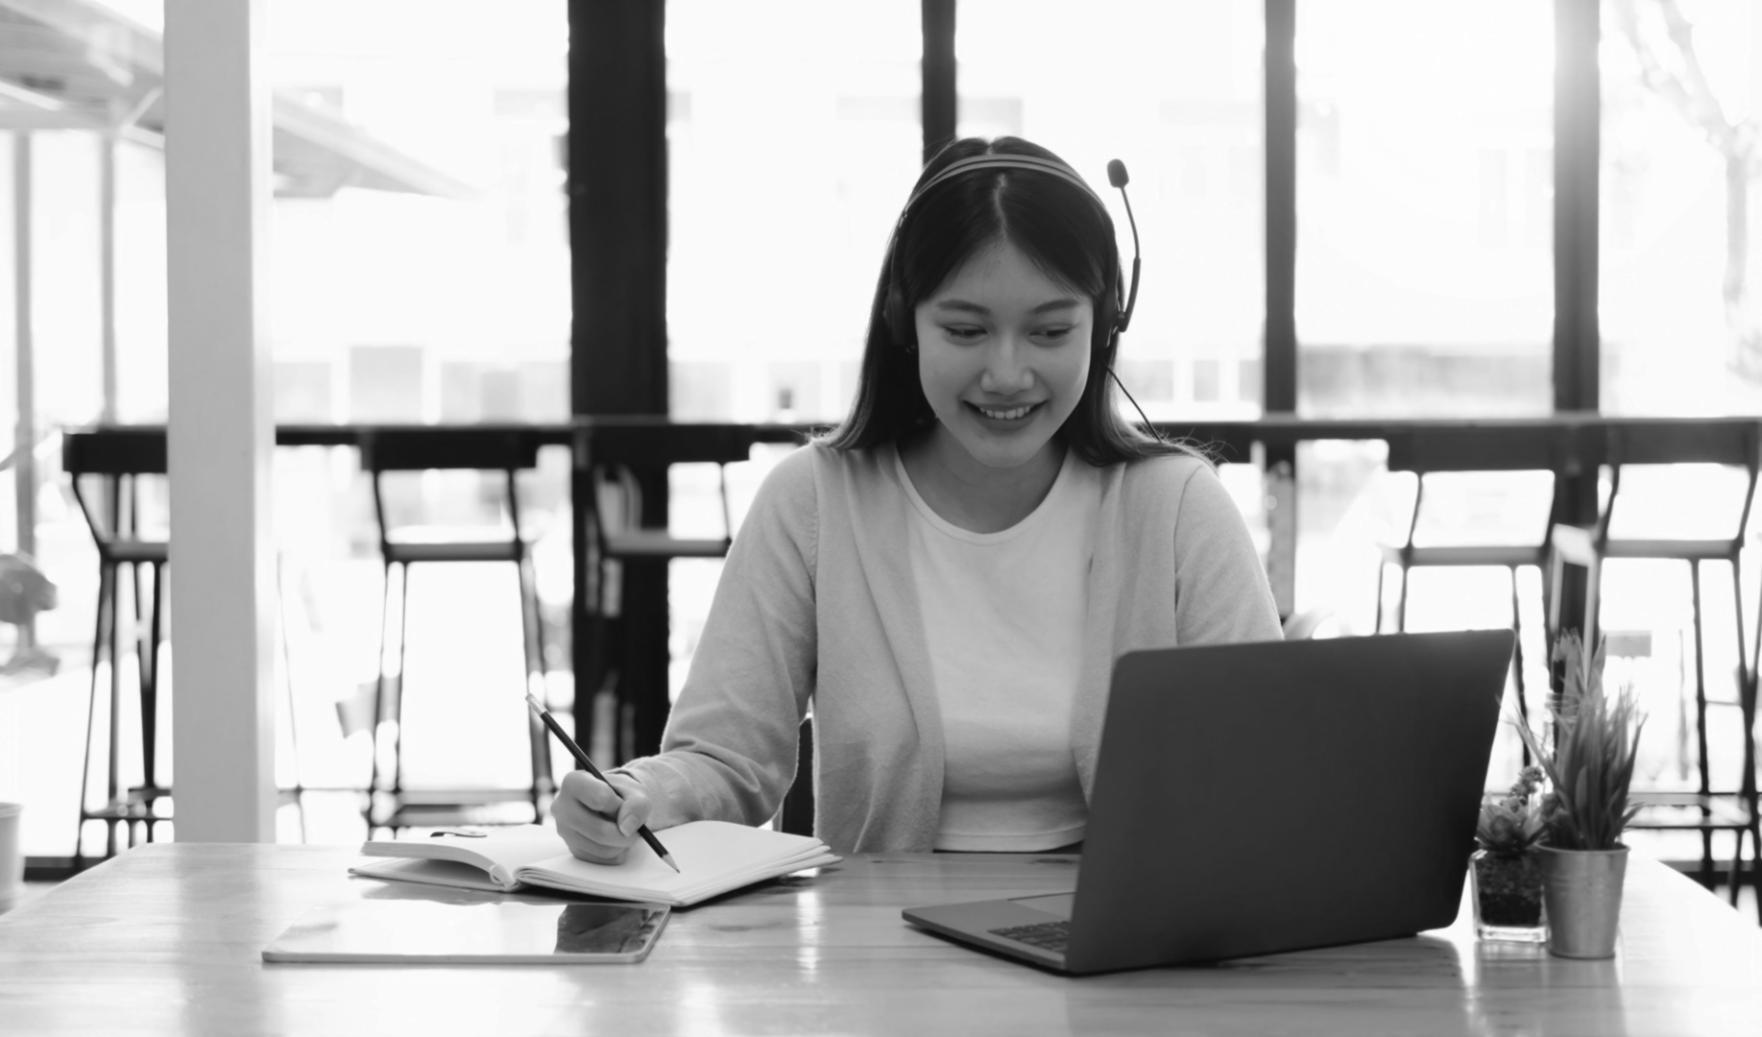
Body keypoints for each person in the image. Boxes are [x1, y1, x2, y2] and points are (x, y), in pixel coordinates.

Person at [552, 136, 1281, 860]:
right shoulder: (814, 502)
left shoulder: (1178, 509)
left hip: (1127, 930)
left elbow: (1266, 765)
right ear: (905, 321)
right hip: (881, 931)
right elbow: (723, 759)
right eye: (965, 330)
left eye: (1051, 331)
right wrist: (634, 795)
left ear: (1106, 324)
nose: (1007, 373)